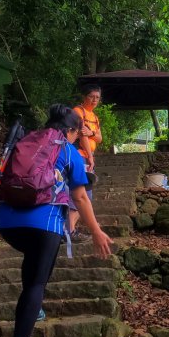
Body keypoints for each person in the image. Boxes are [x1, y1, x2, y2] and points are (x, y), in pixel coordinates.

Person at [0, 104, 112, 337]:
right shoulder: (68, 150)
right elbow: (80, 196)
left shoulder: (26, 141)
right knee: (36, 284)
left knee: (33, 267)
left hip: (7, 223)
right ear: (70, 130)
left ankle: (32, 310)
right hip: (43, 223)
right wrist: (96, 231)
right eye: (75, 133)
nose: (74, 137)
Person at [69, 86, 103, 235]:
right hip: (80, 155)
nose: (94, 100)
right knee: (82, 194)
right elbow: (82, 136)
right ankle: (69, 229)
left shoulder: (94, 117)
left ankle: (69, 229)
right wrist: (90, 157)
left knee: (85, 195)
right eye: (91, 96)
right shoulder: (78, 111)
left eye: (97, 97)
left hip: (87, 157)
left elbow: (99, 138)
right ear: (85, 96)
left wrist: (92, 132)